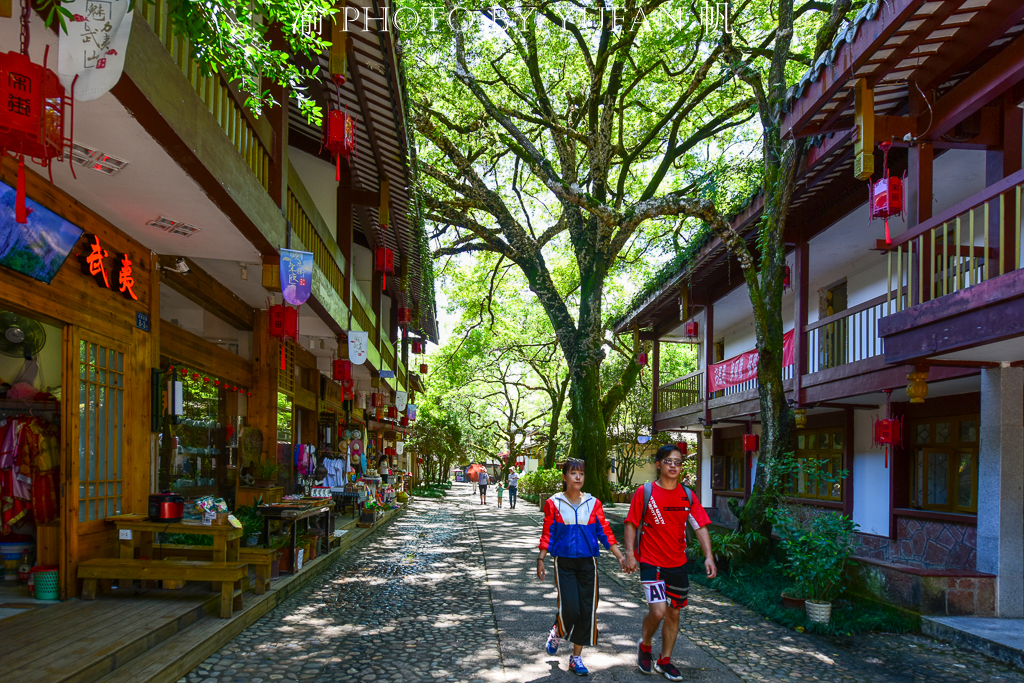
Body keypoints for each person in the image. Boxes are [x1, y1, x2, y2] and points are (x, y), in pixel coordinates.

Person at [623, 444, 716, 681]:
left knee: (674, 613)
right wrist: (631, 554)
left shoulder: (687, 495)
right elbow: (632, 523)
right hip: (652, 563)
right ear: (658, 464)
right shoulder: (645, 492)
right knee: (658, 610)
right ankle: (645, 645)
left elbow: (700, 527)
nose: (674, 466)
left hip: (678, 564)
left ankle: (665, 661)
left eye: (678, 462)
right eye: (668, 461)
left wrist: (709, 556)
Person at [537, 458, 627, 677]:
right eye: (573, 473)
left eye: (581, 474)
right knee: (570, 608)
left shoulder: (593, 503)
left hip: (588, 563)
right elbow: (548, 533)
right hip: (564, 562)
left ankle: (576, 657)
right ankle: (557, 630)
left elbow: (604, 532)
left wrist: (620, 556)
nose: (578, 477)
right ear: (564, 477)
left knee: (587, 610)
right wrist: (541, 558)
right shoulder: (554, 502)